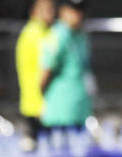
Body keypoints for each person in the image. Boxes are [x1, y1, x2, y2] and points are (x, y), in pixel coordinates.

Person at [39, 0, 92, 132]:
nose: (78, 14)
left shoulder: (81, 36)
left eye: (81, 9)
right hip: (61, 112)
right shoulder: (58, 35)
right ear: (63, 11)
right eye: (74, 9)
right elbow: (45, 71)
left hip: (80, 110)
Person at [16, 0, 55, 143]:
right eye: (46, 9)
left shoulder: (43, 31)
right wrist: (41, 106)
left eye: (51, 8)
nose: (51, 12)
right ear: (34, 12)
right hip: (37, 107)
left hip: (39, 105)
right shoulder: (34, 34)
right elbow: (43, 70)